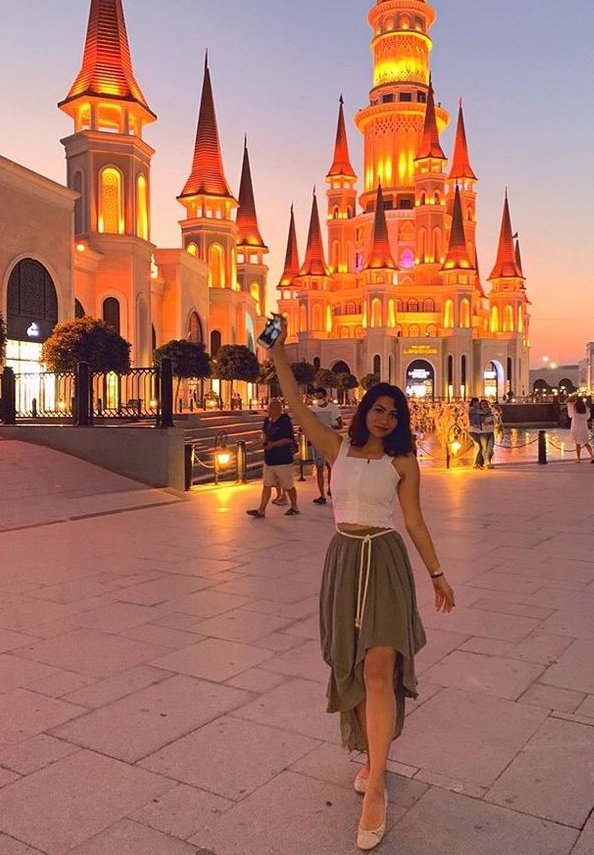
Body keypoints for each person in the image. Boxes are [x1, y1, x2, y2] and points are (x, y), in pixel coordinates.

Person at [270, 317, 454, 851]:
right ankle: (373, 757)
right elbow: (295, 403)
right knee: (348, 663)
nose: (384, 418)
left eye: (393, 413)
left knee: (379, 668)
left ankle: (376, 788)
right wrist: (279, 352)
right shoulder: (336, 448)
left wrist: (438, 575)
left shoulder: (403, 461)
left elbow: (415, 521)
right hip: (345, 561)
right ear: (365, 409)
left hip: (387, 561)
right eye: (379, 408)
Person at [246, 398, 300, 518]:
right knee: (267, 484)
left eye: (269, 408)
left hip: (283, 459)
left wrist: (273, 444)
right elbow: (264, 433)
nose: (267, 410)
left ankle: (294, 507)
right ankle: (261, 509)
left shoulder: (285, 422)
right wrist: (262, 440)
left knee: (288, 485)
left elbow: (288, 439)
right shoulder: (267, 421)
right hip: (269, 459)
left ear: (276, 410)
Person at [309, 387, 343, 504]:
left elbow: (340, 424)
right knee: (319, 467)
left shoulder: (333, 409)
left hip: (330, 441)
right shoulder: (312, 409)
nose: (318, 399)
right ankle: (321, 495)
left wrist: (333, 426)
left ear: (325, 396)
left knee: (331, 467)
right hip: (318, 441)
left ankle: (331, 489)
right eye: (316, 396)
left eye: (320, 396)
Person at [568, 396, 594, 462]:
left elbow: (567, 401)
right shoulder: (586, 408)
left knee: (577, 443)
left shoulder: (574, 407)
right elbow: (587, 417)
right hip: (583, 426)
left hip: (576, 425)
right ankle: (592, 456)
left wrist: (572, 396)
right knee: (586, 442)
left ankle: (579, 458)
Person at [479, 399, 497, 469]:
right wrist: (490, 422)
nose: (485, 405)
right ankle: (486, 462)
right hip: (483, 433)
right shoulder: (480, 413)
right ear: (481, 406)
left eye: (486, 404)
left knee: (490, 447)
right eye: (483, 404)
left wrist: (489, 422)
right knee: (485, 448)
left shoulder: (491, 412)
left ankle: (487, 462)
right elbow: (484, 423)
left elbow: (495, 421)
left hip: (491, 432)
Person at [468, 398, 484, 469]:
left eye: (478, 402)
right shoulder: (472, 409)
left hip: (477, 430)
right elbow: (482, 412)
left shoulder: (474, 410)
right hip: (473, 430)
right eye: (477, 402)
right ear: (473, 403)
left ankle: (475, 463)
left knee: (477, 447)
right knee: (479, 446)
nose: (478, 404)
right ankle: (476, 463)